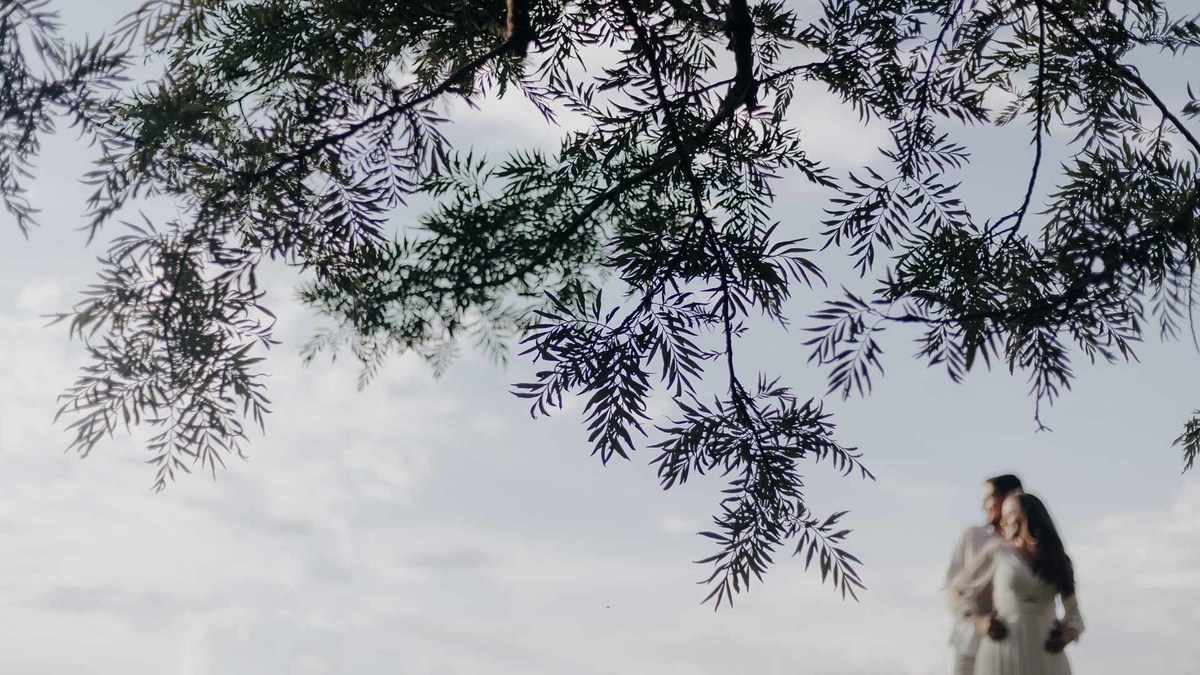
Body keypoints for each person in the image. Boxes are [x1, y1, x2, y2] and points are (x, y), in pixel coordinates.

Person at [951, 493, 1085, 675]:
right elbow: (957, 589)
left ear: (1027, 516)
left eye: (1008, 514)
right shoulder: (998, 553)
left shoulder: (1059, 560)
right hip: (1002, 650)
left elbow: (1074, 613)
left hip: (1046, 651)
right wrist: (978, 621)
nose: (1002, 522)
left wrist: (1066, 635)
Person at [945, 474, 1023, 675]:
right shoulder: (972, 537)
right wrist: (977, 619)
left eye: (990, 498)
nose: (985, 505)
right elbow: (952, 587)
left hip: (1015, 644)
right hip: (971, 642)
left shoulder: (1026, 544)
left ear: (1011, 498)